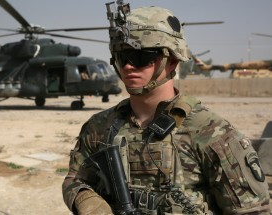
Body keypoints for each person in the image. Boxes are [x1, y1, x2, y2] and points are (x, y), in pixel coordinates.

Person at [62, 2, 271, 214]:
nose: (127, 66)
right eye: (121, 56)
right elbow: (76, 179)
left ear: (171, 61)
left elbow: (253, 210)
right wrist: (87, 201)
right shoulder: (99, 127)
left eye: (140, 56)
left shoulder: (211, 132)